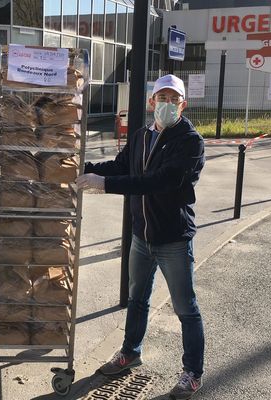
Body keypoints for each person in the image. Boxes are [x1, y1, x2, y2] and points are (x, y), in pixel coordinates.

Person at [76, 74, 205, 400]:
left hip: (173, 239)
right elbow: (120, 167)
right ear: (151, 102)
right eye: (161, 97)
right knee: (137, 299)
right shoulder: (140, 137)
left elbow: (158, 181)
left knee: (186, 309)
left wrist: (104, 185)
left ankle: (193, 372)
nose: (167, 104)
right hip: (141, 237)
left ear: (183, 104)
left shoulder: (190, 142)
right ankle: (130, 352)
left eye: (173, 99)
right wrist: (78, 166)